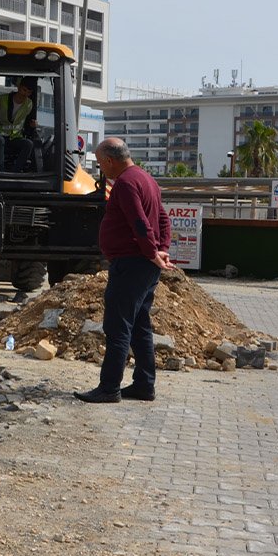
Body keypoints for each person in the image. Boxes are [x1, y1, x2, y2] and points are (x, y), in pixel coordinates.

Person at [74, 138, 174, 404]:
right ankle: (144, 385)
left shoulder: (127, 183)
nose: (100, 170)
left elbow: (140, 222)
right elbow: (163, 218)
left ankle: (109, 388)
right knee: (140, 325)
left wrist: (153, 252)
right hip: (143, 265)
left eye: (99, 163)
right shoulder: (146, 179)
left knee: (117, 326)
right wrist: (161, 249)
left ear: (109, 160)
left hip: (131, 264)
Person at [0, 76, 39, 172]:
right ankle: (1, 171)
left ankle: (15, 172)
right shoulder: (2, 100)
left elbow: (28, 124)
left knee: (28, 144)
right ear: (19, 87)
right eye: (24, 90)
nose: (26, 94)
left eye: (29, 92)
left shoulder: (29, 104)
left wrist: (32, 125)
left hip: (13, 138)